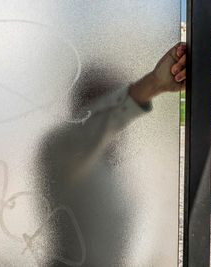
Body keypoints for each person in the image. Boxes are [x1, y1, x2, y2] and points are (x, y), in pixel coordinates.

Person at [36, 43, 187, 266]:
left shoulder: (109, 162)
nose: (122, 125)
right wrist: (153, 83)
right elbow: (99, 124)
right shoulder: (60, 148)